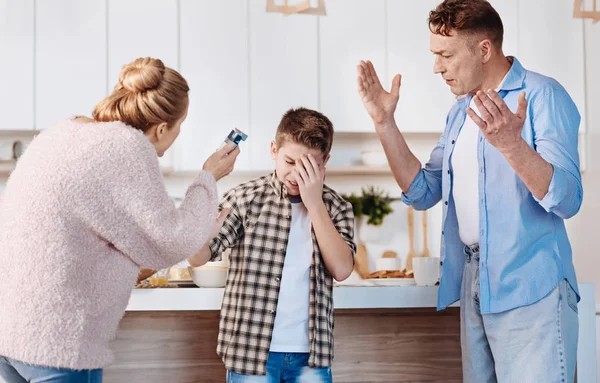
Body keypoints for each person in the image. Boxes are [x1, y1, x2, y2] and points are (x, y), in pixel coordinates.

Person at [356, 0, 582, 382]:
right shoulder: (461, 112)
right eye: (434, 54)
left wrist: (512, 145)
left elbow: (568, 198)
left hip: (532, 288)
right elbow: (424, 190)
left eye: (446, 54)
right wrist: (384, 123)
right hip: (476, 283)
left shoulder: (543, 95)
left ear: (483, 50)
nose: (436, 67)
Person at [0, 57, 239, 382]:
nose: (178, 134)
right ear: (161, 128)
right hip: (57, 343)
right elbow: (171, 241)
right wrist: (209, 177)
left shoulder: (64, 130)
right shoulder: (127, 148)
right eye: (181, 125)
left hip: (9, 329)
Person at [190, 107, 356, 382]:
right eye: (290, 162)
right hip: (251, 352)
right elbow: (197, 259)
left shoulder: (336, 207)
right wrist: (201, 232)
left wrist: (314, 202)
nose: (296, 175)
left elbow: (341, 269)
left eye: (309, 166)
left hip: (310, 357)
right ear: (274, 150)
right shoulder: (245, 200)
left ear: (325, 161)